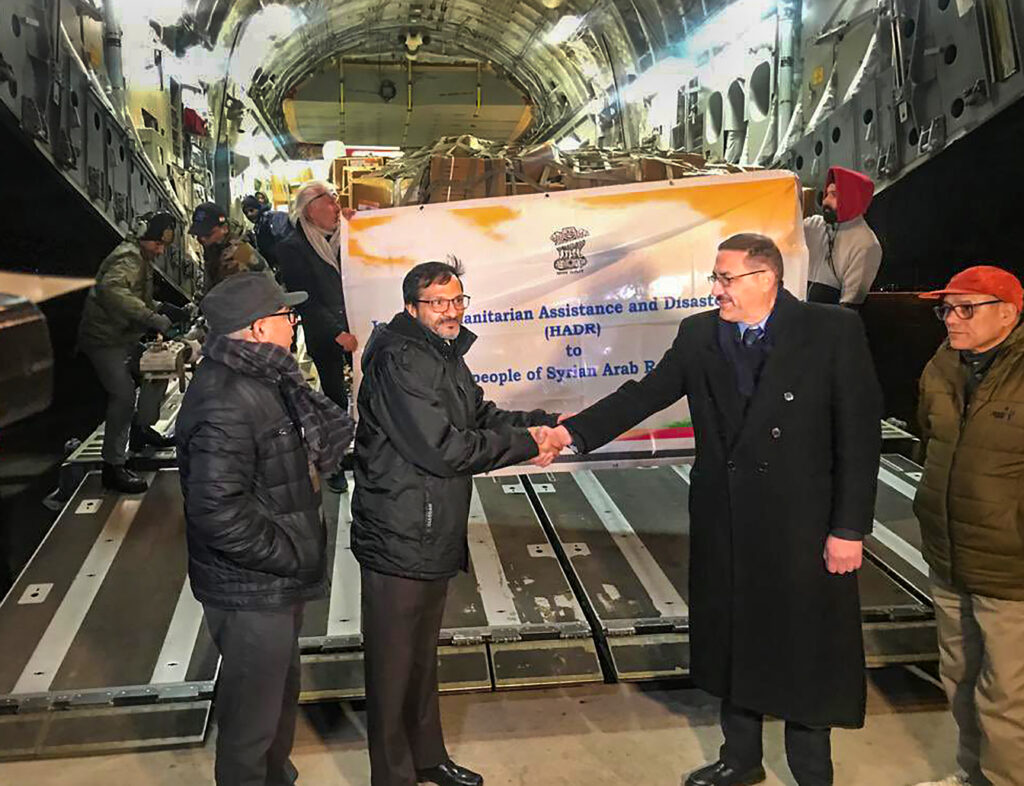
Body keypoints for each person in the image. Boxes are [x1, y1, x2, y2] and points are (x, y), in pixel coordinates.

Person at [547, 234, 882, 786]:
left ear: (765, 278)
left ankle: (811, 771)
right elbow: (645, 394)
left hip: (804, 524)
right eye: (716, 278)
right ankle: (741, 759)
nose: (716, 289)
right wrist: (570, 433)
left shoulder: (831, 330)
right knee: (735, 638)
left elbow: (859, 435)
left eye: (726, 279)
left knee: (805, 647)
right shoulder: (699, 334)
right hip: (727, 518)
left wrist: (849, 528)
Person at [351, 259, 561, 786]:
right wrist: (527, 444)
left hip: (429, 527)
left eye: (457, 300)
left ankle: (427, 758)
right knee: (393, 665)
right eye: (438, 303)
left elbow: (479, 416)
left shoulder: (440, 354)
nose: (451, 311)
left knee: (421, 657)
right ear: (410, 308)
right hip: (399, 530)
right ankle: (392, 776)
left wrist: (542, 425)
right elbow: (444, 448)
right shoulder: (399, 361)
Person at [176, 271, 354, 786]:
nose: (293, 323)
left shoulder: (264, 378)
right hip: (252, 587)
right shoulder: (226, 399)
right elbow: (216, 511)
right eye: (285, 315)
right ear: (256, 329)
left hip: (271, 583)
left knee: (276, 697)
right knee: (251, 720)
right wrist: (290, 553)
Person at [912, 266, 1024, 786]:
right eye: (946, 309)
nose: (952, 319)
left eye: (966, 308)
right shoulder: (943, 364)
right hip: (949, 556)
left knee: (1006, 694)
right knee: (958, 676)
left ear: (1008, 314)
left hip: (1010, 569)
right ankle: (972, 774)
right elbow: (930, 436)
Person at [77, 211, 185, 493]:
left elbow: (137, 296)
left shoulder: (140, 258)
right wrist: (153, 318)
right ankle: (113, 467)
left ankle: (140, 431)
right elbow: (113, 293)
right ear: (143, 236)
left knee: (156, 369)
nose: (160, 251)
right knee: (123, 395)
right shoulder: (128, 258)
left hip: (123, 337)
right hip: (105, 340)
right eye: (157, 244)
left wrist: (165, 309)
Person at [276, 181, 359, 492]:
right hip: (326, 332)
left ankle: (366, 454)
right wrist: (337, 332)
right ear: (310, 210)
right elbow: (306, 299)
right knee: (333, 398)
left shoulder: (344, 235)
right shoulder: (292, 247)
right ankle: (333, 462)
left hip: (357, 324)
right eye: (330, 203)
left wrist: (359, 224)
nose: (337, 208)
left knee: (368, 390)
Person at [803, 166, 883, 309]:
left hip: (829, 318)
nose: (825, 201)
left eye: (833, 195)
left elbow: (849, 307)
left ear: (851, 198)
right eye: (826, 194)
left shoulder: (866, 245)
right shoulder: (813, 225)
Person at [189, 201, 269, 293]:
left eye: (208, 234)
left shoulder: (237, 254)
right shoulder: (214, 247)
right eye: (198, 234)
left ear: (225, 228)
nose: (202, 239)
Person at [242, 193, 293, 272]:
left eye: (251, 210)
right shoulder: (258, 226)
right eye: (246, 213)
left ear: (258, 208)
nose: (249, 215)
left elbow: (285, 241)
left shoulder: (274, 218)